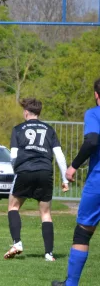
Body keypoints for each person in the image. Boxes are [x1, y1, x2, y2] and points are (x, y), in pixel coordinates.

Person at [4, 98, 69, 262]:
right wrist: (65, 179)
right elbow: (59, 156)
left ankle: (17, 243)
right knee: (46, 213)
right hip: (45, 171)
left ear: (26, 112)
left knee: (13, 206)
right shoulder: (49, 129)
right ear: (38, 113)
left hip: (25, 170)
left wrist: (16, 170)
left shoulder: (18, 129)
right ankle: (49, 254)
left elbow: (13, 155)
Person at [53, 78, 100, 286]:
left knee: (83, 232)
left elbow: (92, 140)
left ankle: (71, 284)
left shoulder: (94, 113)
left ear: (96, 95)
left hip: (98, 181)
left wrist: (73, 166)